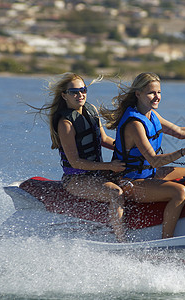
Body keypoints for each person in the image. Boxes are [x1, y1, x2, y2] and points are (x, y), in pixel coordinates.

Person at [101, 72, 185, 238]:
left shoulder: (152, 115)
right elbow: (154, 160)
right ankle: (167, 241)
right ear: (138, 94)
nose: (157, 97)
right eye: (151, 93)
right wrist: (184, 151)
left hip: (149, 173)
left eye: (159, 92)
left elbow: (180, 132)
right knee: (179, 192)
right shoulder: (134, 124)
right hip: (130, 182)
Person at [29, 73, 127, 242]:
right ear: (64, 95)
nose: (80, 94)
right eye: (74, 92)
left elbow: (104, 139)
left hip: (96, 173)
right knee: (115, 193)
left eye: (83, 90)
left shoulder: (92, 110)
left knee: (131, 179)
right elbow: (76, 162)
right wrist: (110, 166)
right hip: (75, 179)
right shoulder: (65, 123)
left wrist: (130, 151)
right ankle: (121, 241)